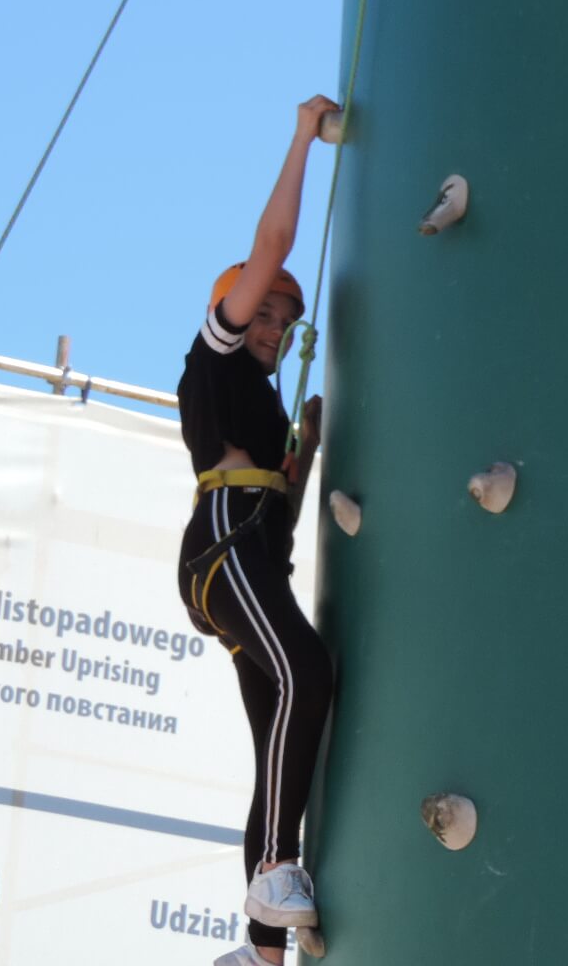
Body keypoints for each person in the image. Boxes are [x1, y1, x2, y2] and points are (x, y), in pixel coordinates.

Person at [176, 94, 341, 966]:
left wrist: (303, 452)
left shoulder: (264, 404)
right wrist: (302, 138)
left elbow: (280, 499)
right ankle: (275, 869)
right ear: (234, 308)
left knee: (283, 731)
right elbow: (271, 247)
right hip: (225, 548)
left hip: (250, 555)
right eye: (263, 312)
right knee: (306, 669)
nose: (274, 327)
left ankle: (261, 953)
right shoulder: (213, 357)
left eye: (285, 319)